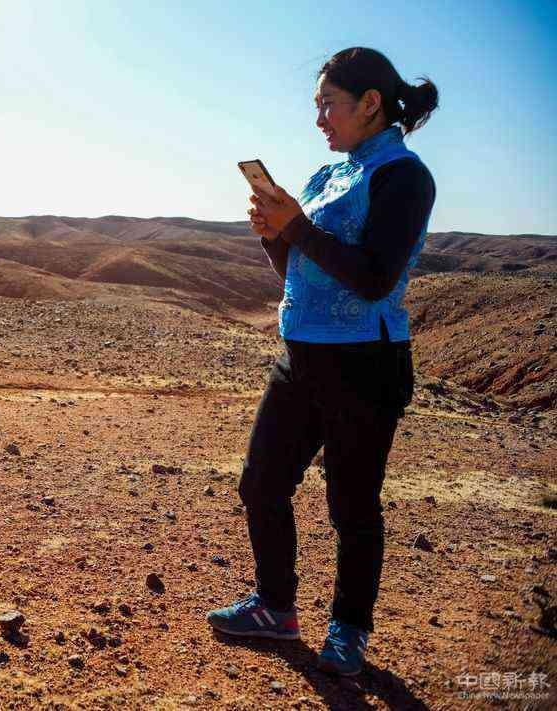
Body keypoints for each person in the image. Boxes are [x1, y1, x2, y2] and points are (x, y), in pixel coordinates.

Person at [207, 47, 438, 676]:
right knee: (261, 483)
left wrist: (300, 229)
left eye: (328, 105)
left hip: (367, 363)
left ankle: (349, 630)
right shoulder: (324, 176)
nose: (320, 121)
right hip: (301, 355)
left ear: (370, 103)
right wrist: (275, 237)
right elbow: (297, 273)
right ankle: (276, 608)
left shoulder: (404, 177)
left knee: (352, 504)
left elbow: (373, 278)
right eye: (317, 106)